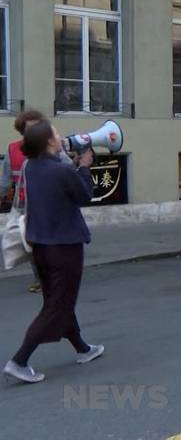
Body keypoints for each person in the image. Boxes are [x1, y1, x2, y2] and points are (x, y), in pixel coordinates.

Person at [4, 120, 104, 383]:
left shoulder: (32, 167)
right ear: (49, 141)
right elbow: (84, 195)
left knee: (58, 301)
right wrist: (83, 166)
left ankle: (82, 348)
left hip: (41, 246)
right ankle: (19, 360)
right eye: (56, 134)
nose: (61, 136)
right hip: (65, 247)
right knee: (56, 306)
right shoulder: (61, 170)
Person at [0, 109, 47, 293]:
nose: (35, 133)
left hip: (47, 205)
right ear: (22, 130)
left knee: (44, 244)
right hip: (23, 207)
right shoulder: (12, 149)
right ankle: (42, 278)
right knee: (30, 245)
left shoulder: (50, 147)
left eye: (38, 128)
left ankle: (49, 278)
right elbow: (4, 183)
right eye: (30, 129)